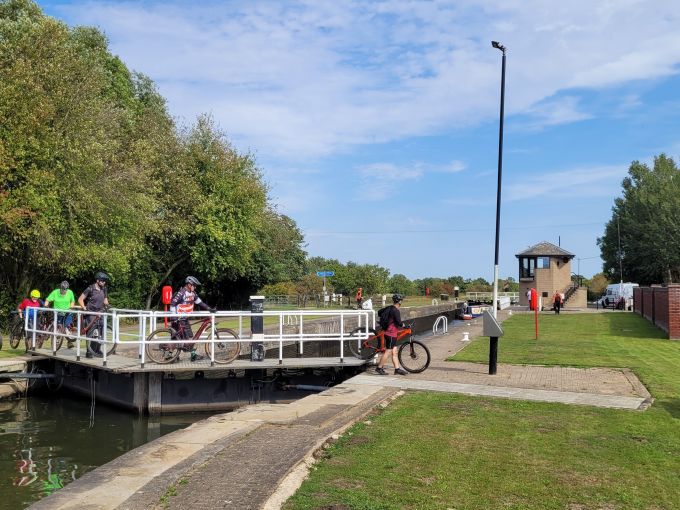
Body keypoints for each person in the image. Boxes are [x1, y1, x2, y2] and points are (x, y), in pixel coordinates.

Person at [169, 276, 215, 362]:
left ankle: (192, 355)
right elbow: (172, 304)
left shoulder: (193, 293)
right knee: (177, 338)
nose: (195, 287)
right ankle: (169, 355)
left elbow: (200, 303)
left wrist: (209, 309)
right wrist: (174, 317)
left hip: (185, 318)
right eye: (194, 285)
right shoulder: (181, 293)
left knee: (190, 337)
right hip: (178, 319)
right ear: (189, 285)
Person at [78, 272, 110, 358]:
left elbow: (105, 300)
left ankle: (97, 349)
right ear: (97, 280)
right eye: (102, 281)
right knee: (90, 332)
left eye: (105, 281)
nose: (104, 282)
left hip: (100, 313)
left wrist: (107, 305)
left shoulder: (104, 289)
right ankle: (89, 352)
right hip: (91, 313)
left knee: (101, 332)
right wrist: (84, 308)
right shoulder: (90, 288)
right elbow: (80, 299)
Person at [375, 294, 408, 376]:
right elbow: (399, 322)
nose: (401, 302)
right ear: (399, 301)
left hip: (389, 332)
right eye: (401, 300)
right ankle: (379, 368)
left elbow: (379, 312)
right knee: (388, 351)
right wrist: (405, 326)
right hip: (391, 334)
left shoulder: (389, 307)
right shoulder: (396, 311)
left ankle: (397, 369)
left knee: (394, 352)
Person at [45, 281, 77, 348]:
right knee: (58, 327)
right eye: (63, 289)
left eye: (65, 290)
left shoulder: (70, 292)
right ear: (60, 288)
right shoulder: (55, 292)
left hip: (67, 312)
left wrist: (71, 307)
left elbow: (72, 301)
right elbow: (47, 300)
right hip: (57, 313)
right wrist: (46, 305)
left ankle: (69, 342)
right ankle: (56, 339)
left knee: (68, 325)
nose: (64, 291)